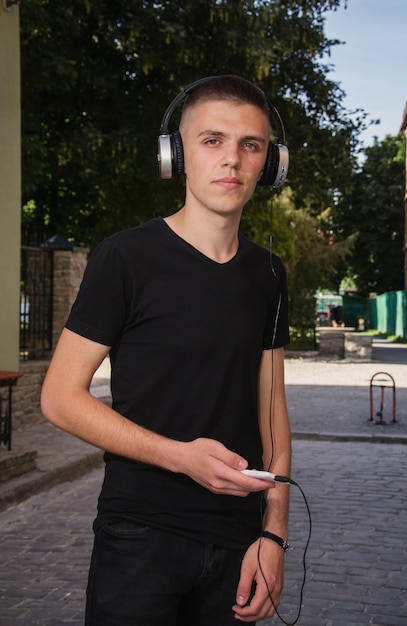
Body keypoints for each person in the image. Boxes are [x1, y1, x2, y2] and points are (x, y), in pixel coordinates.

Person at [41, 74, 292, 626]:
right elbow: (59, 398)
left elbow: (272, 412)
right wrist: (183, 457)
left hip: (238, 540)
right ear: (175, 156)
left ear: (270, 164)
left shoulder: (270, 274)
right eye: (212, 140)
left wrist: (274, 534)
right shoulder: (125, 259)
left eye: (250, 145)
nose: (232, 159)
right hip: (140, 536)